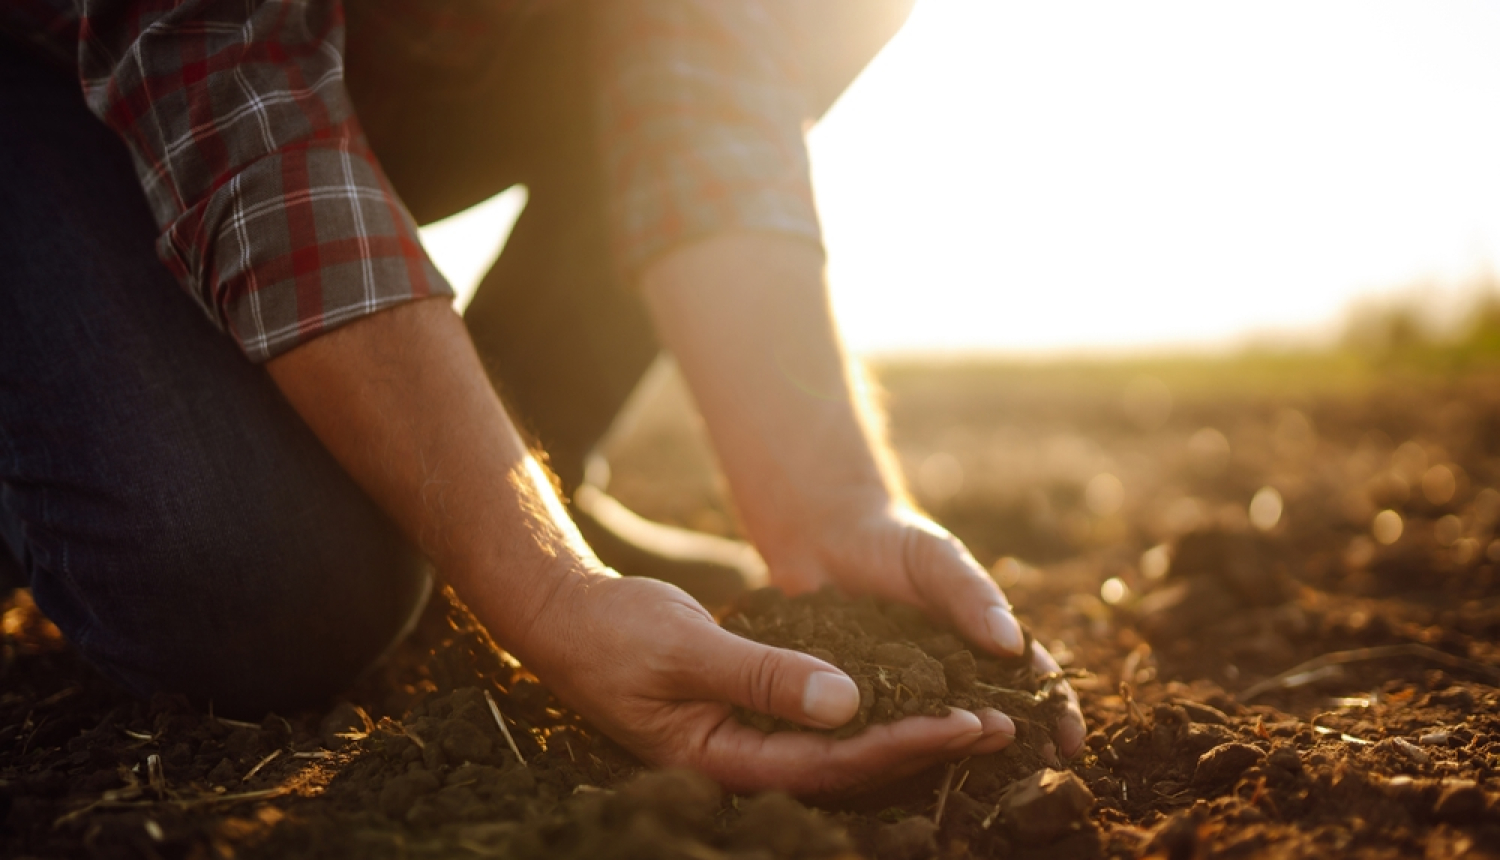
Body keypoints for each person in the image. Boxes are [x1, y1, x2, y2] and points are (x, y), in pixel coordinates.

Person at [0, 0, 1084, 795]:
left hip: (368, 56)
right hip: (58, 78)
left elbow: (699, 74)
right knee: (265, 584)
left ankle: (516, 472)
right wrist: (550, 592)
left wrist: (833, 504)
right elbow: (234, 95)